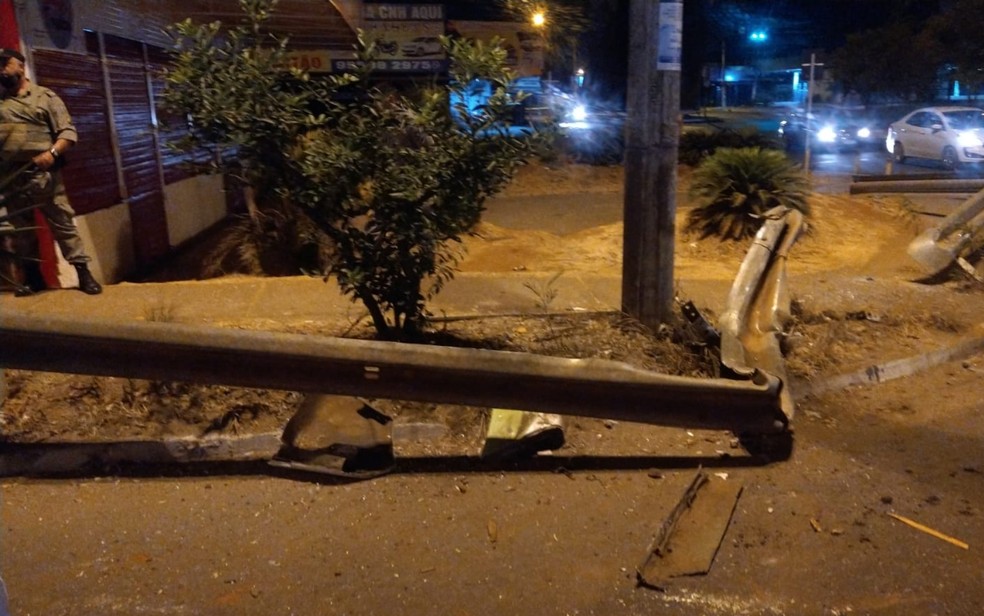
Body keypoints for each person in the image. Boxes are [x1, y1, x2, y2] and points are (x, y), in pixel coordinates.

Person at [0, 47, 101, 295]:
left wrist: (52, 154)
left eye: (5, 64)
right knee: (20, 231)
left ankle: (83, 275)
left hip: (44, 176)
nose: (1, 70)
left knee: (63, 225)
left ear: (21, 66)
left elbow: (68, 133)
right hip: (13, 179)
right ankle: (33, 279)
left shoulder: (45, 97)